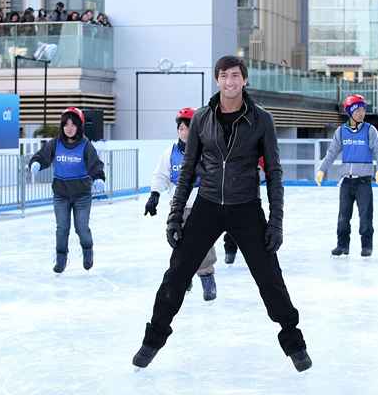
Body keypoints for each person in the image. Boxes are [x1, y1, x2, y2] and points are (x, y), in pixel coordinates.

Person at [133, 55, 311, 373]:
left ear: (244, 80)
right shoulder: (202, 118)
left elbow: (274, 173)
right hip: (208, 205)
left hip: (246, 207)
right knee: (176, 273)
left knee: (270, 278)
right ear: (217, 80)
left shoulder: (261, 120)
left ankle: (294, 342)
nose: (230, 82)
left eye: (235, 76)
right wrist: (175, 215)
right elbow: (187, 172)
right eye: (224, 76)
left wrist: (276, 221)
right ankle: (152, 339)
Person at [144, 107, 217, 301]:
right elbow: (160, 175)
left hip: (203, 204)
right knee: (180, 243)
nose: (184, 132)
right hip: (179, 207)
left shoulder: (206, 151)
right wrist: (154, 195)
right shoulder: (170, 152)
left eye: (188, 128)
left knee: (204, 243)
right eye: (181, 128)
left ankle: (207, 277)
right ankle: (184, 277)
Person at [28, 107, 105, 273]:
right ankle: (61, 258)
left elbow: (95, 164)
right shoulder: (55, 144)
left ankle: (87, 250)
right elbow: (42, 156)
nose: (69, 128)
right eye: (66, 124)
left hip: (82, 195)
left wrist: (98, 177)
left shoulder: (85, 145)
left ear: (79, 126)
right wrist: (36, 163)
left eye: (73, 124)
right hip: (61, 195)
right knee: (62, 228)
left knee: (81, 227)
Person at [315, 94, 378, 257]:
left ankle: (366, 246)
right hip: (346, 182)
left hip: (364, 182)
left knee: (366, 216)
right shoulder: (341, 132)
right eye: (358, 110)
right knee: (343, 217)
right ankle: (342, 246)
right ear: (350, 111)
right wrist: (322, 169)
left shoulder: (370, 130)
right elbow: (331, 153)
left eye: (363, 110)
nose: (362, 113)